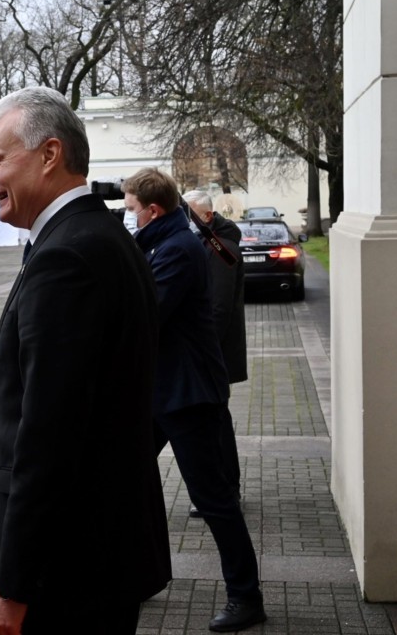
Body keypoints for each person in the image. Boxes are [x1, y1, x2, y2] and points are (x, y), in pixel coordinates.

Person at [0, 86, 171, 635]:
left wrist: (15, 584)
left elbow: (48, 437)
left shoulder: (68, 256)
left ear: (49, 154)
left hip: (65, 573)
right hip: (92, 555)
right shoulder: (96, 237)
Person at [124, 169, 265, 632]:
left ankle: (247, 597)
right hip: (163, 390)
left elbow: (148, 314)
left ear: (153, 210)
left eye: (131, 211)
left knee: (215, 500)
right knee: (126, 480)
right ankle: (135, 578)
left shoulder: (178, 249)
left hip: (188, 394)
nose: (129, 219)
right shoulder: (165, 242)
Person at [184, 189, 248, 515]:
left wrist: (203, 353)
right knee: (212, 422)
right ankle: (220, 489)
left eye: (191, 215)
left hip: (215, 355)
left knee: (216, 423)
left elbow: (219, 310)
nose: (187, 221)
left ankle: (226, 490)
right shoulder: (208, 244)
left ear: (207, 216)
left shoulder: (222, 249)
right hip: (209, 355)